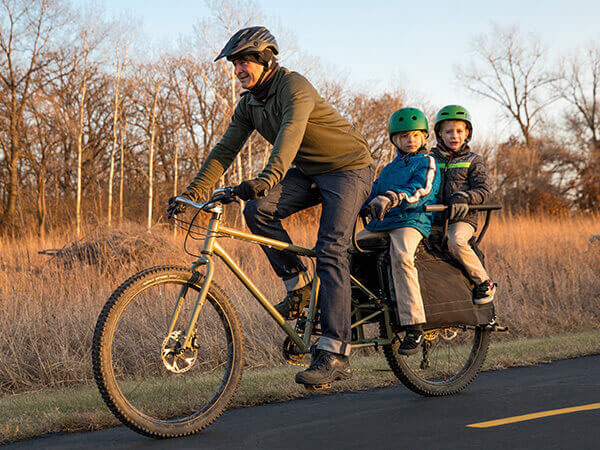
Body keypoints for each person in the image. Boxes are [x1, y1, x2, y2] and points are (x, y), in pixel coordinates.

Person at [167, 26, 374, 386]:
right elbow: (224, 150)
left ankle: (335, 352)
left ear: (265, 59)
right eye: (234, 64)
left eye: (244, 62)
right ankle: (300, 287)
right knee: (256, 210)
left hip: (348, 168)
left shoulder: (295, 87)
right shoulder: (249, 104)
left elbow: (289, 137)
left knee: (330, 249)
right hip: (310, 171)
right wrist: (194, 192)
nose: (238, 71)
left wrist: (267, 178)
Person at [357, 107, 440, 355]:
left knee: (401, 256)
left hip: (411, 221)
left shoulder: (427, 162)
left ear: (424, 137)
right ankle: (361, 311)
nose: (410, 140)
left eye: (415, 135)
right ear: (395, 139)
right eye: (404, 136)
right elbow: (372, 191)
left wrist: (394, 197)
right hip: (383, 224)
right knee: (347, 248)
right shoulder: (389, 169)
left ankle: (415, 325)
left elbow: (422, 189)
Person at [430, 105, 496, 304]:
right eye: (449, 131)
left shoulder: (473, 160)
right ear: (439, 134)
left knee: (456, 240)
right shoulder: (429, 159)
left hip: (462, 219)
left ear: (467, 133)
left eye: (459, 131)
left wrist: (464, 197)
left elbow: (483, 190)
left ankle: (484, 282)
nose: (454, 136)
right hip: (434, 218)